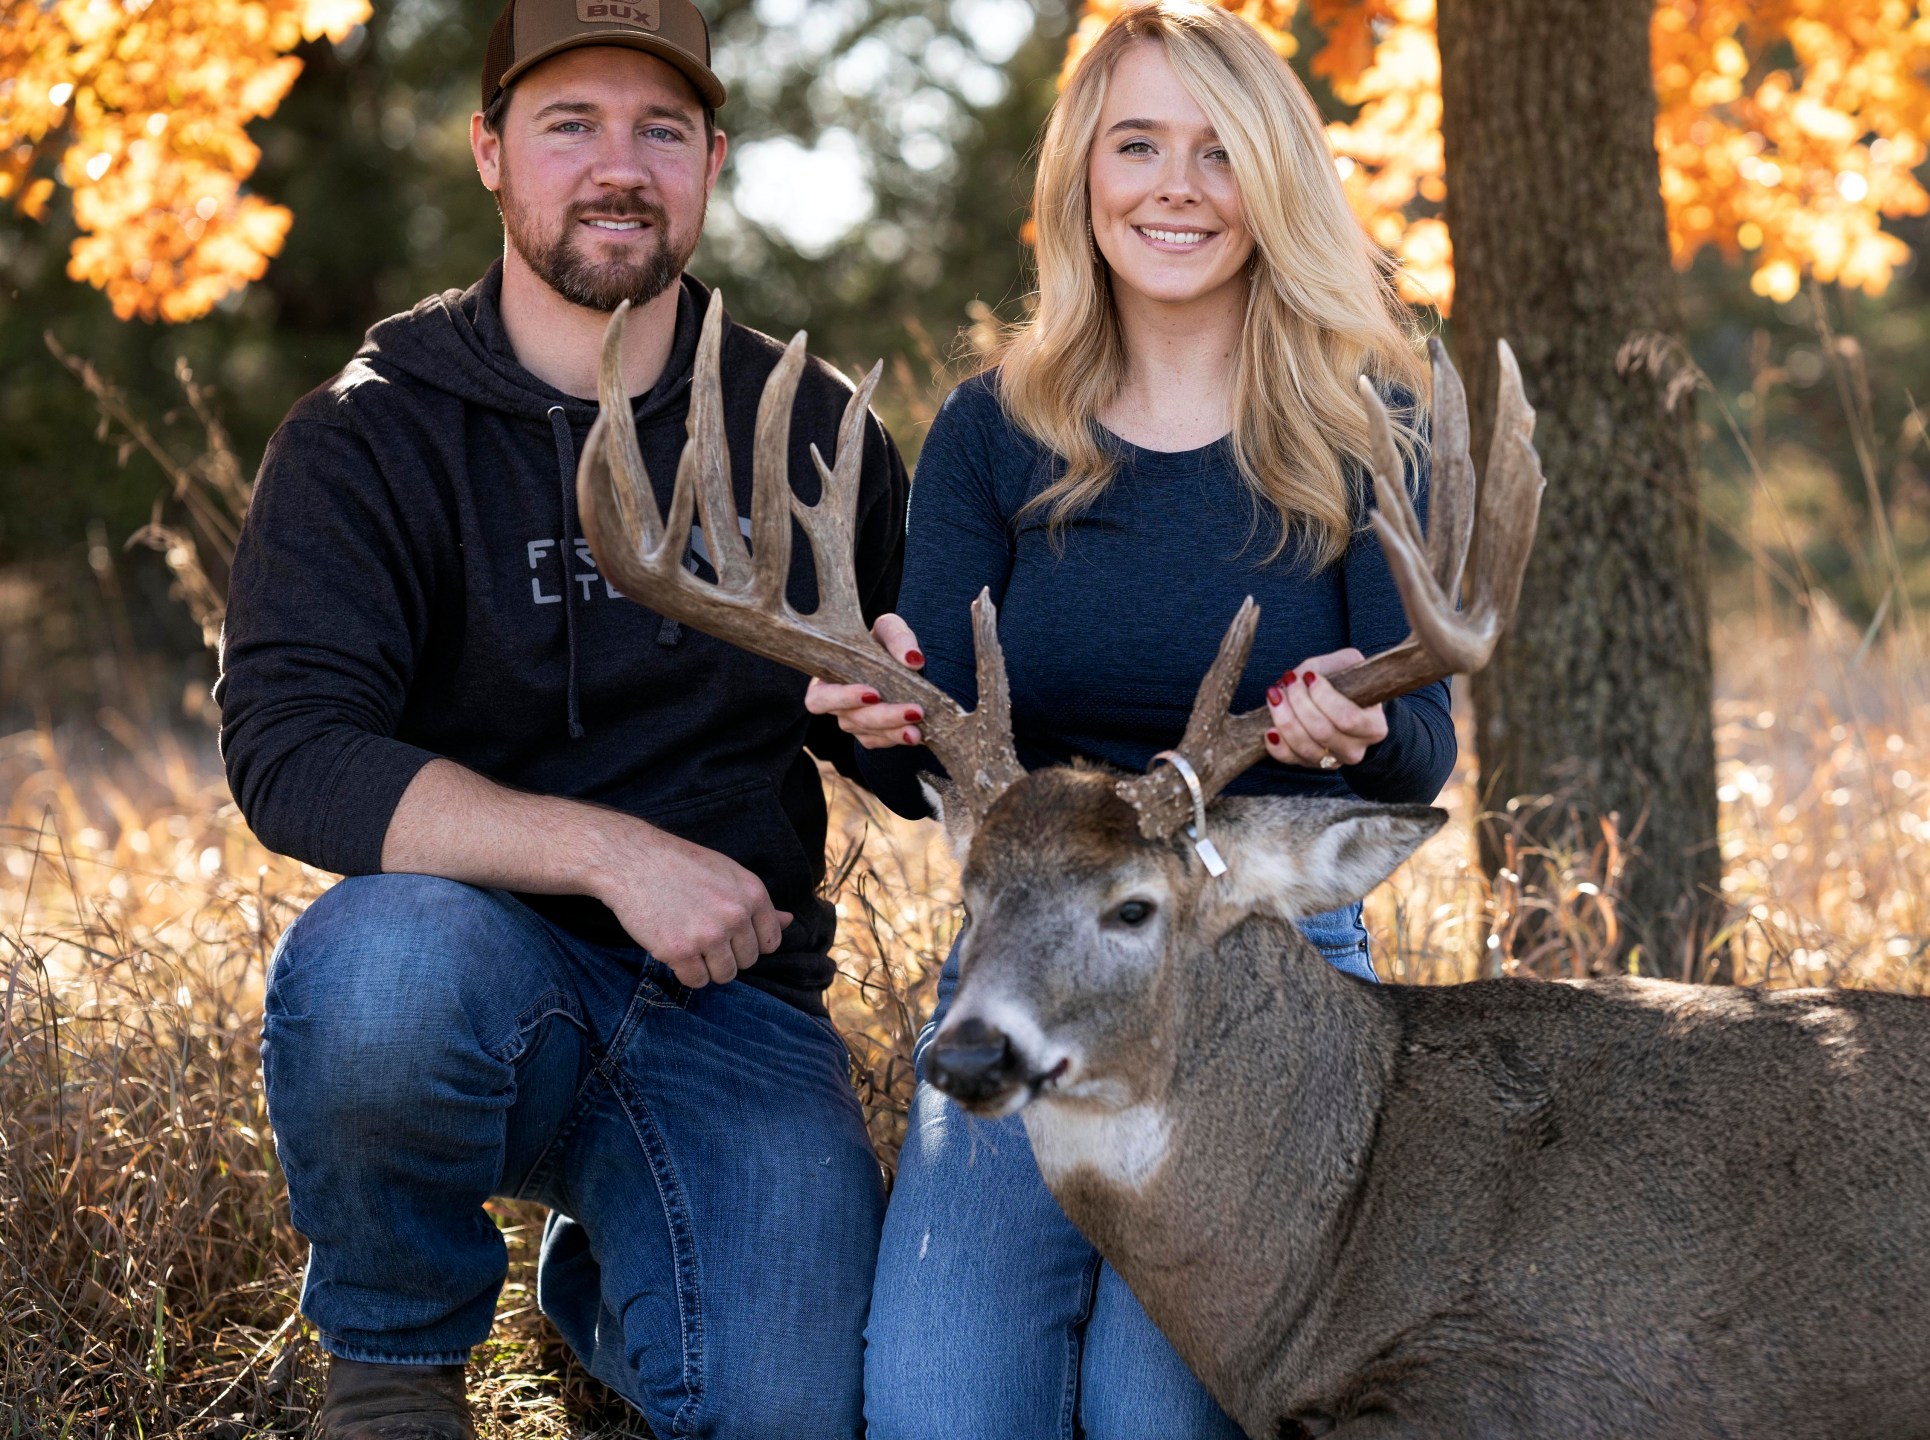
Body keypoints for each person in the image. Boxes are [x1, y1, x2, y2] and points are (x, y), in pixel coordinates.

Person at [218, 1, 907, 1433]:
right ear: (489, 153)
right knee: (377, 965)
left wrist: (902, 718)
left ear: (713, 158)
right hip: (474, 981)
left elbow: (908, 758)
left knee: (793, 1411)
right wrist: (613, 855)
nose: (620, 166)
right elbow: (293, 754)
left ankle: (603, 1288)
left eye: (662, 128)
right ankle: (396, 1379)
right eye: (568, 124)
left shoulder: (810, 426)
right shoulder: (369, 435)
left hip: (736, 1013)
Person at [816, 4, 1454, 1435]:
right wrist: (874, 705)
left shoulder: (1367, 426)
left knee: (1152, 1422)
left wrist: (1356, 726)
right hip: (1031, 949)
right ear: (1081, 178)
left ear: (1276, 182)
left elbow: (1424, 750)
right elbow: (936, 747)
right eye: (1140, 145)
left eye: (1221, 153)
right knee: (943, 1412)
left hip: (1260, 957)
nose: (1178, 186)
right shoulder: (993, 426)